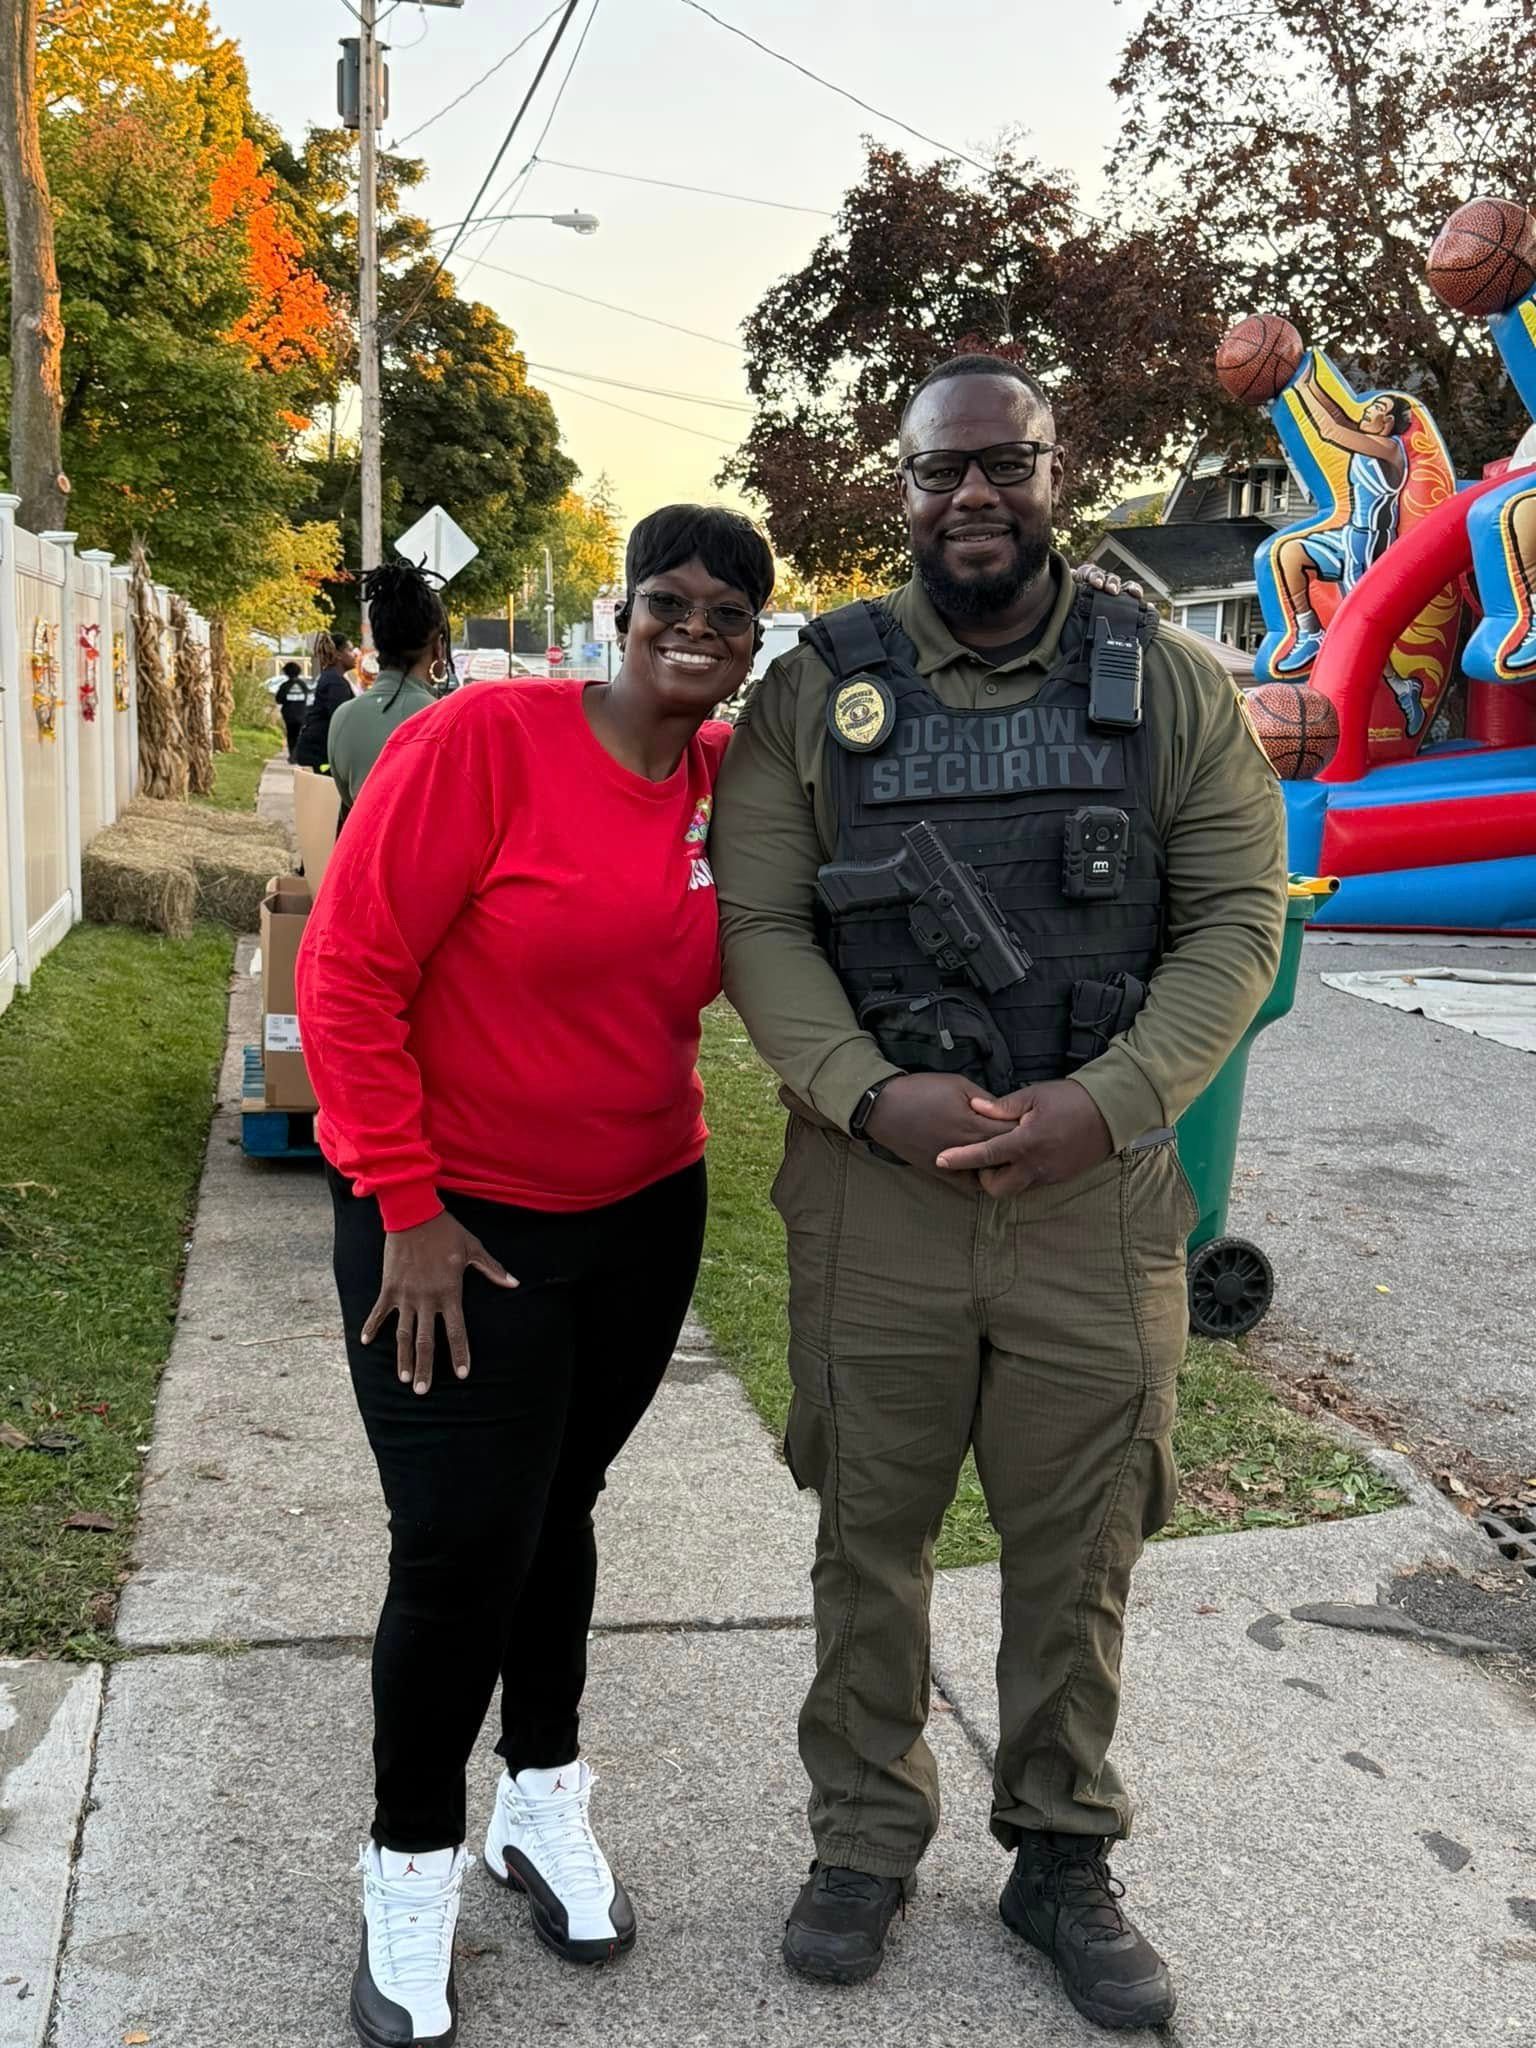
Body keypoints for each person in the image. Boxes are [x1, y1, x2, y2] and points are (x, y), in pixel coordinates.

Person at [711, 353, 1288, 2032]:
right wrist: (862, 1092)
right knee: (868, 1534)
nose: (973, 496)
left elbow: (1237, 918)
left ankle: (1058, 1849)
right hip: (876, 1192)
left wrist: (1104, 1105)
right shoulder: (814, 691)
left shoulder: (1163, 681)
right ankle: (866, 1842)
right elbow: (759, 925)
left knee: (1080, 1543)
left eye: (1005, 466)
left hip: (1092, 1192)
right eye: (939, 471)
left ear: (1057, 469)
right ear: (900, 485)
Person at [294, 504, 775, 2048]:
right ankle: (410, 1867)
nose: (694, 626)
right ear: (622, 612)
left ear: (753, 644)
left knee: (557, 1515)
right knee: (453, 1555)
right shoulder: (483, 742)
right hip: (451, 1233)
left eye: (728, 612)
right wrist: (405, 1203)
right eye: (669, 599)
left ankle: (541, 1802)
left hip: (642, 1213)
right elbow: (349, 971)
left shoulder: (727, 786)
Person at [1270, 367, 1426, 732]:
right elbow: (1341, 417)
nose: (1368, 412)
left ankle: (1402, 687)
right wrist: (1309, 384)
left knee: (1362, 630)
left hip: (1371, 545)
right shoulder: (1371, 439)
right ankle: (1309, 633)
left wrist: (1301, 393)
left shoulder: (1391, 451)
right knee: (1289, 554)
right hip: (1349, 534)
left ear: (1388, 422)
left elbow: (1331, 430)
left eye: (1377, 409)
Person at [327, 564, 451, 824]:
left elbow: (350, 806)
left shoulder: (343, 717)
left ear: (379, 643)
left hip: (363, 861)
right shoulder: (447, 722)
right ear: (439, 647)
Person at [294, 629, 360, 771]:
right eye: (349, 650)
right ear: (338, 655)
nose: (354, 654)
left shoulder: (330, 677)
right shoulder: (335, 682)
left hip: (316, 749)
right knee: (326, 789)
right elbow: (340, 720)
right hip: (321, 753)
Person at [273, 660, 309, 762]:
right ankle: (297, 755)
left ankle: (292, 754)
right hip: (302, 713)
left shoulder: (285, 686)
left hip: (289, 715)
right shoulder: (303, 685)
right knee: (299, 735)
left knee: (291, 735)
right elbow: (308, 698)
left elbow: (279, 699)